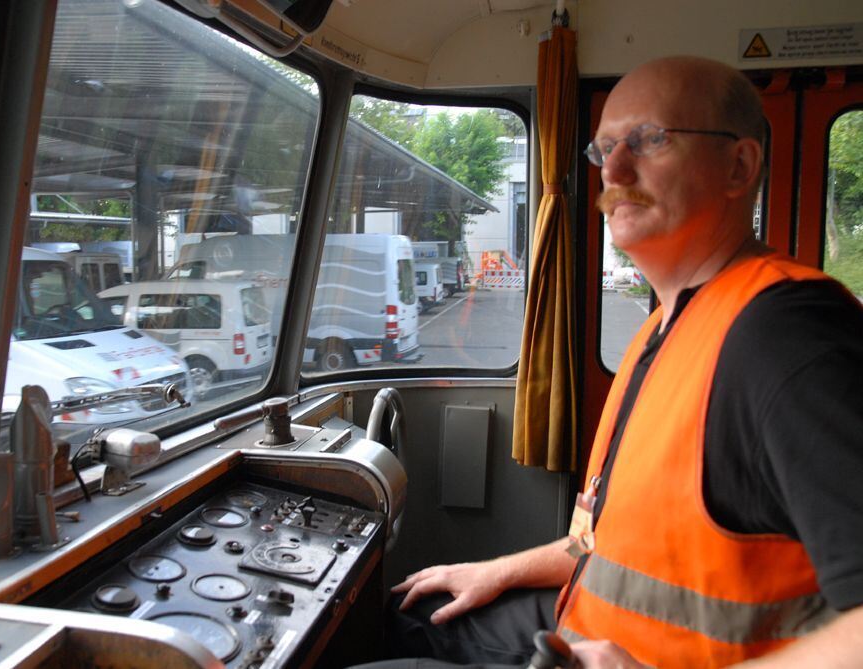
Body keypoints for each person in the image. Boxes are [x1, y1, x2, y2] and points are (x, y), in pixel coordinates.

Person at [363, 56, 863, 668]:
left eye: (650, 140)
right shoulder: (665, 327)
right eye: (604, 148)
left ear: (739, 165)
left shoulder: (786, 335)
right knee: (406, 614)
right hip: (583, 626)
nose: (615, 171)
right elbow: (606, 541)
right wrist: (497, 571)